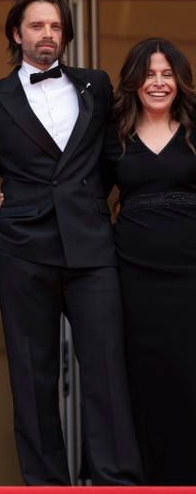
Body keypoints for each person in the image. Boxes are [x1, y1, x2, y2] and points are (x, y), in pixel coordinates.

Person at [0, 0, 143, 485]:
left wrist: (86, 206)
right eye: (37, 26)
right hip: (22, 250)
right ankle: (46, 484)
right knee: (32, 377)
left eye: (56, 27)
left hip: (91, 247)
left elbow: (108, 161)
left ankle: (114, 479)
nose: (47, 35)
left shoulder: (96, 86)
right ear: (17, 34)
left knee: (106, 370)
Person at [105, 38, 196, 485]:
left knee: (189, 378)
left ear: (179, 82)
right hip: (133, 275)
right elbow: (81, 194)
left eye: (167, 74)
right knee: (144, 383)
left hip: (190, 275)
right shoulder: (113, 135)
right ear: (134, 82)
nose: (158, 83)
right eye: (149, 74)